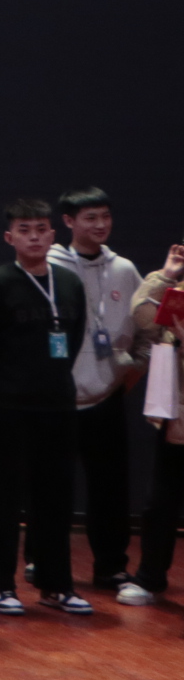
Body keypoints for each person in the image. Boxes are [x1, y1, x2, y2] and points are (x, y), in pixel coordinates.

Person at [0, 196, 91, 615]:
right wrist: (3, 388)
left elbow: (74, 338)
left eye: (41, 229)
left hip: (58, 407)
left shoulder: (69, 283)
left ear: (53, 234)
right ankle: (1, 585)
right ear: (9, 237)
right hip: (9, 409)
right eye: (24, 230)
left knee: (56, 499)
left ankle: (56, 585)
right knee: (3, 499)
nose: (34, 237)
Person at [53, 188, 143, 601]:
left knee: (110, 488)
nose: (100, 225)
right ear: (69, 222)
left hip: (107, 394)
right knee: (52, 485)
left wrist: (129, 374)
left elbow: (144, 329)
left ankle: (111, 565)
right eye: (90, 218)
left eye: (105, 216)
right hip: (58, 398)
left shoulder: (123, 269)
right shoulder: (50, 266)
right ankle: (43, 560)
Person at [125, 243, 184, 606]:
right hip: (177, 414)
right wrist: (166, 275)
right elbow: (143, 317)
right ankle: (149, 578)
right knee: (160, 501)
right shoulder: (177, 291)